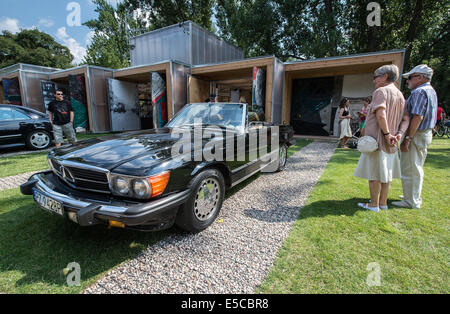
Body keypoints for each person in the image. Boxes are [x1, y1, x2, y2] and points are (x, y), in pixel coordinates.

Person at [353, 64, 410, 212]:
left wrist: (386, 134)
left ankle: (373, 204)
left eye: (375, 77)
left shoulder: (380, 91)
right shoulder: (400, 95)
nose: (373, 81)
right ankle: (382, 203)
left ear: (385, 76)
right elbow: (405, 119)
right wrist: (399, 134)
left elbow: (380, 113)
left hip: (378, 141)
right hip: (392, 143)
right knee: (387, 174)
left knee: (375, 174)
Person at [392, 64, 438, 209]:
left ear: (420, 77)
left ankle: (411, 201)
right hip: (424, 133)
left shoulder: (419, 92)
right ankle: (411, 195)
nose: (408, 81)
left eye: (411, 78)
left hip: (416, 134)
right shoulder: (430, 90)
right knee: (416, 166)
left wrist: (408, 138)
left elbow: (417, 117)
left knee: (411, 167)